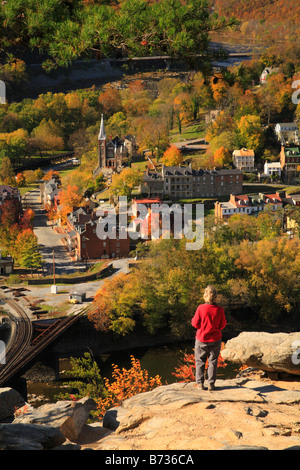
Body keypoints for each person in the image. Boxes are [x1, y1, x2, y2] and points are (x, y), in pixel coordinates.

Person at [191, 285, 226, 391]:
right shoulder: (220, 310)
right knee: (213, 362)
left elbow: (195, 323)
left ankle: (200, 384)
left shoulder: (201, 308)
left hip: (201, 338)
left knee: (200, 361)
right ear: (215, 297)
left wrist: (202, 327)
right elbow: (223, 324)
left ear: (205, 296)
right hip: (215, 339)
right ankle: (211, 384)